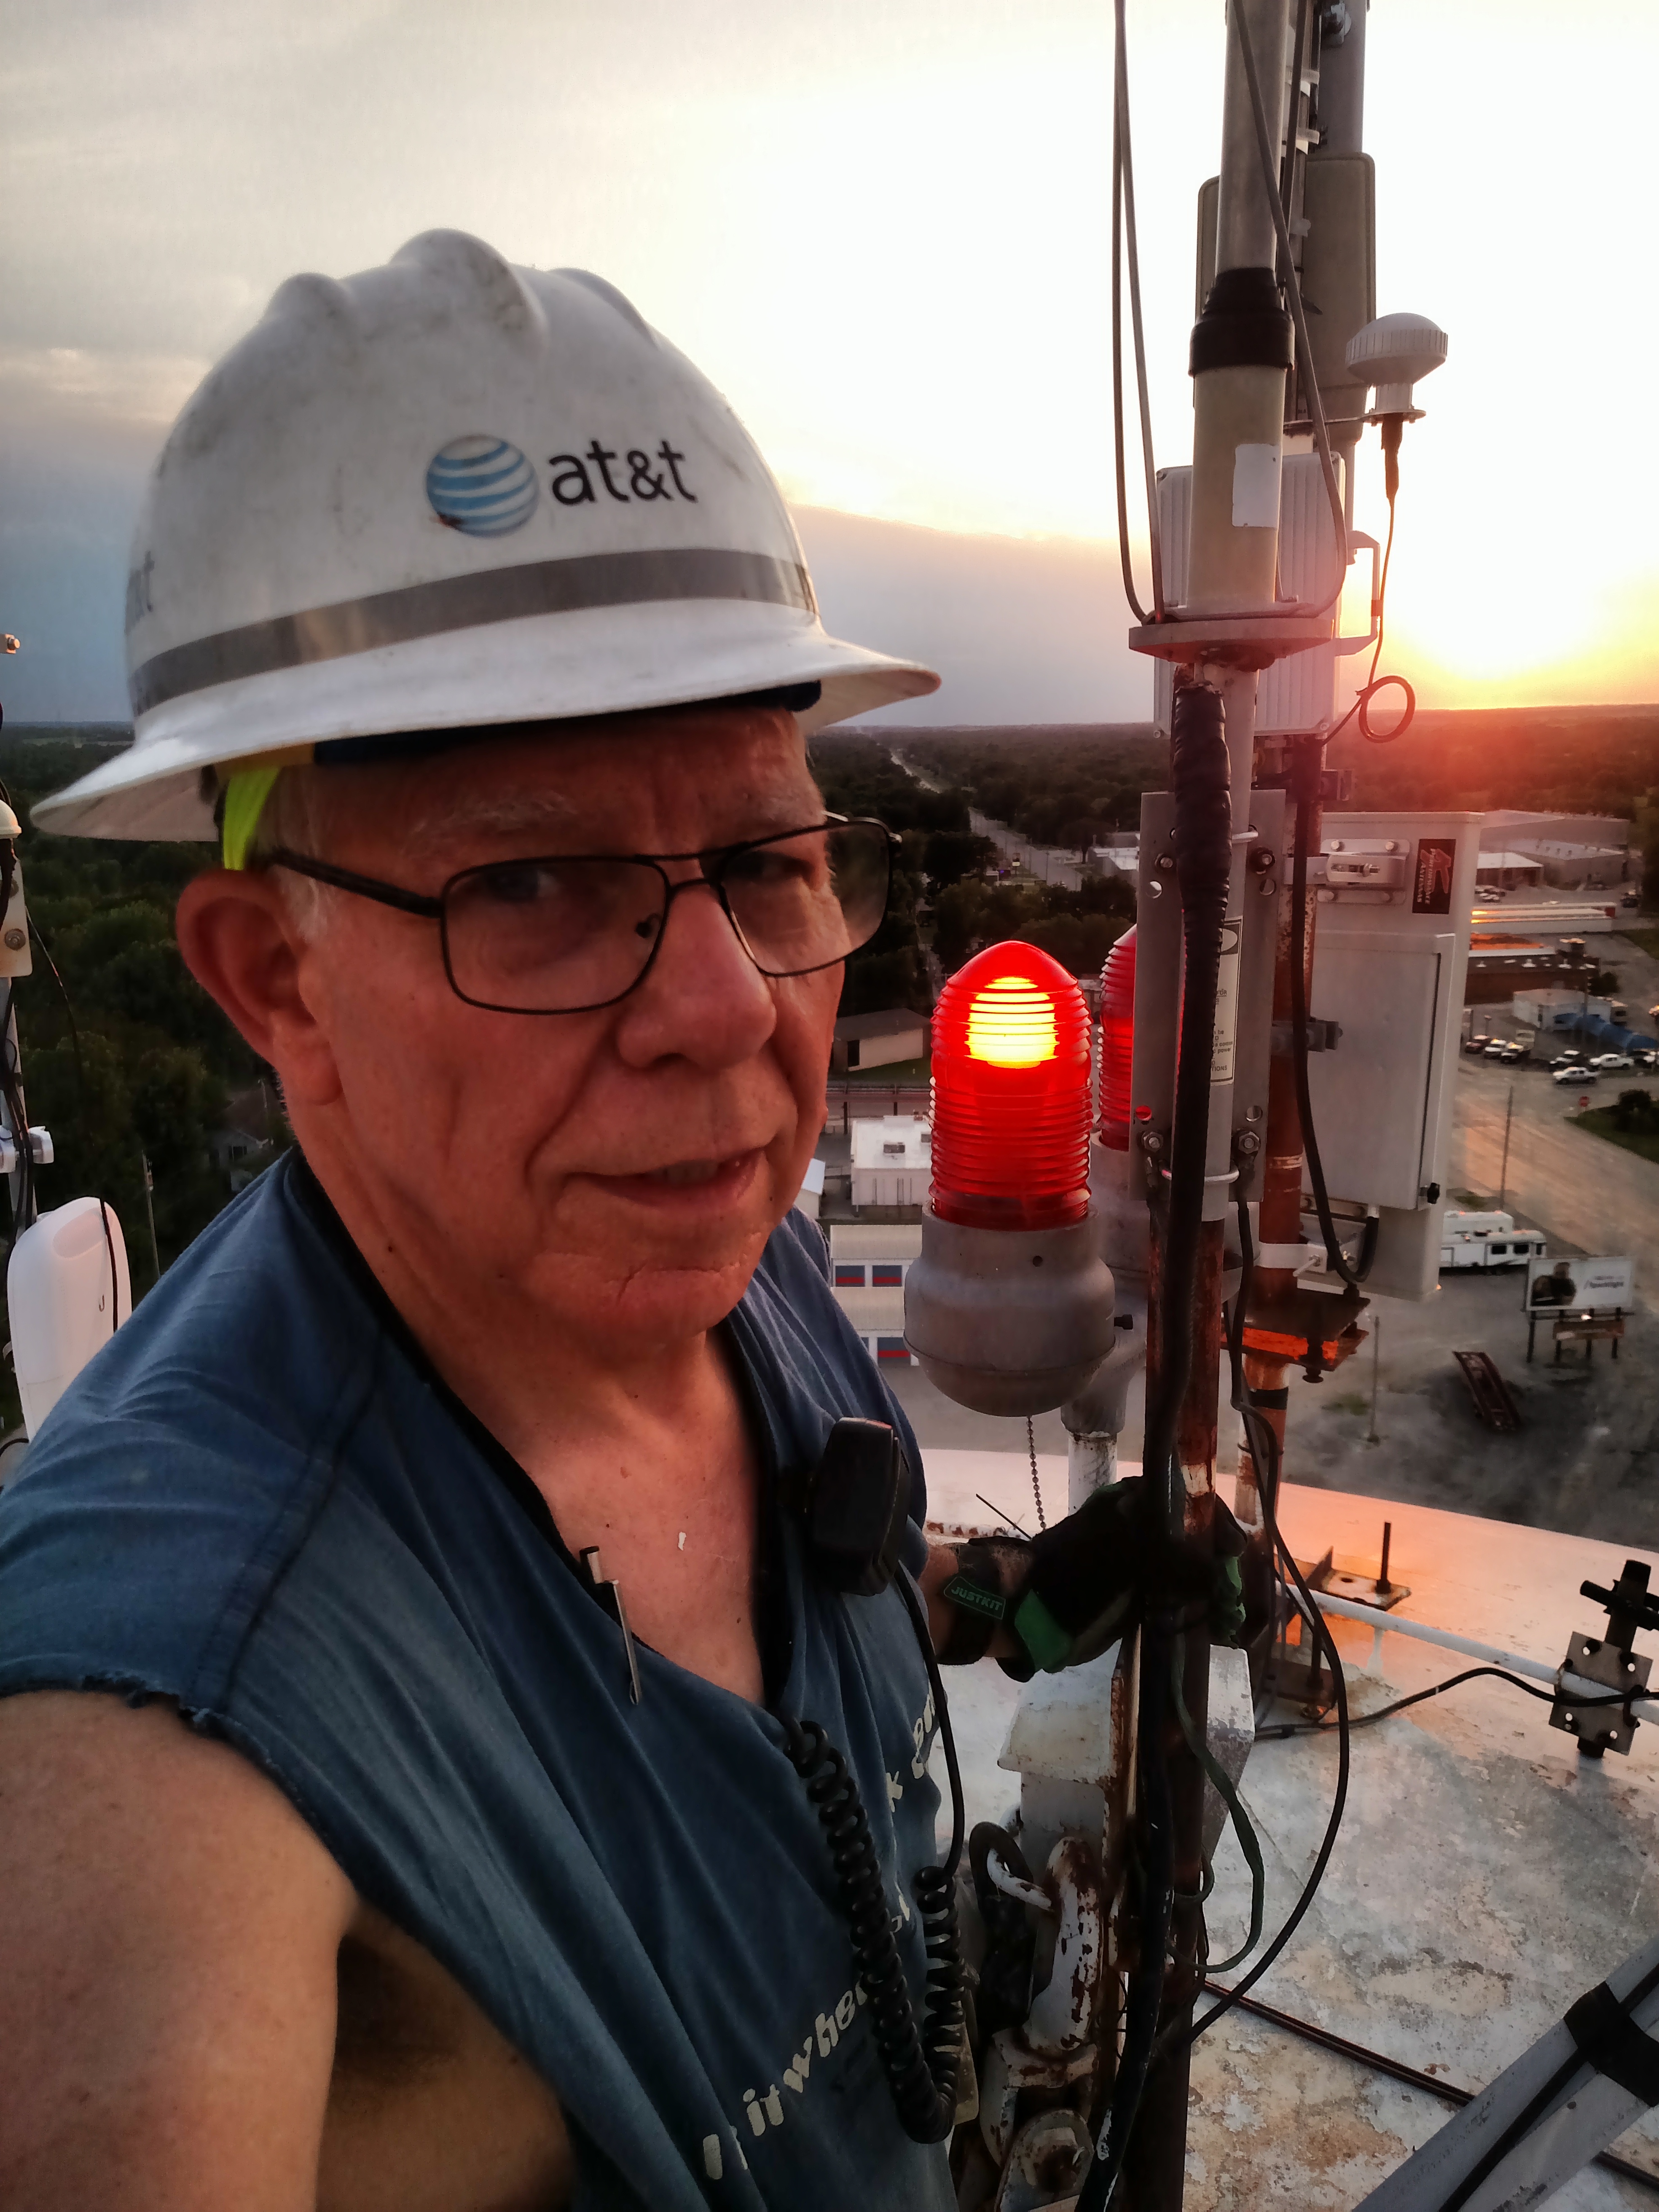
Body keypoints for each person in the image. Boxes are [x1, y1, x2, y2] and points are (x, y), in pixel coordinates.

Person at [0, 234, 1164, 2211]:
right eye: (534, 883)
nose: (723, 1007)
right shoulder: (157, 1723)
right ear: (272, 978)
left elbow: (794, 1585)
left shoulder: (711, 1256)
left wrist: (1011, 1596)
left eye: (767, 860)